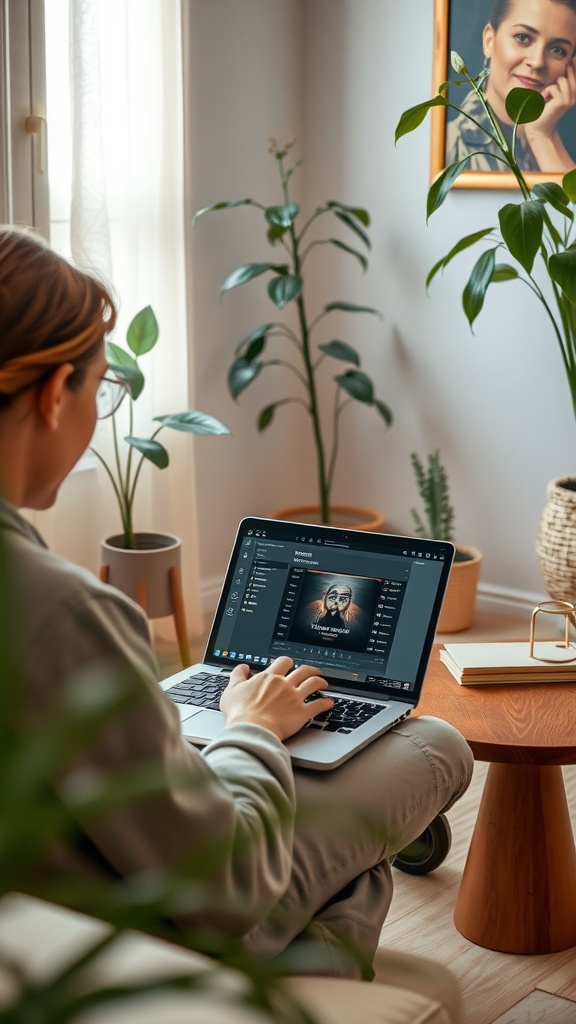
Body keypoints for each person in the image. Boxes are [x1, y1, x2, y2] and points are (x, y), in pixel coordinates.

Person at [0, 226, 473, 980]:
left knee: (263, 771)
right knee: (434, 748)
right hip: (149, 919)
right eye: (102, 386)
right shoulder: (63, 611)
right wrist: (250, 728)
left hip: (53, 890)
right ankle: (322, 926)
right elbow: (230, 887)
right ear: (58, 393)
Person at [446, 0, 576, 173]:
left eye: (558, 50)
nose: (537, 62)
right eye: (522, 38)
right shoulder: (450, 145)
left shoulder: (553, 141)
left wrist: (542, 136)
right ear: (489, 41)